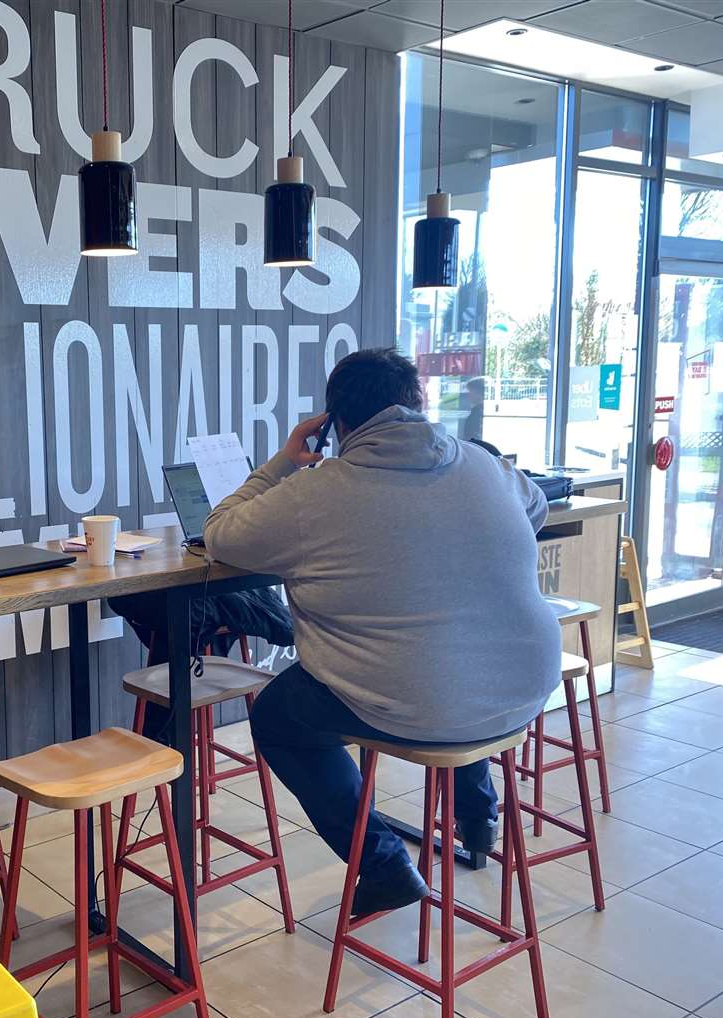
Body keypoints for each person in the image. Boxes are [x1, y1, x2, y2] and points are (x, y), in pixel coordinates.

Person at [203, 348, 563, 916]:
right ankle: (478, 814)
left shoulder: (313, 493)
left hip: (428, 696)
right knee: (447, 646)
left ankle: (385, 864)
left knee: (277, 718)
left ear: (335, 425)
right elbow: (536, 507)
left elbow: (220, 533)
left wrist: (284, 462)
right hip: (524, 691)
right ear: (418, 404)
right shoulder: (483, 464)